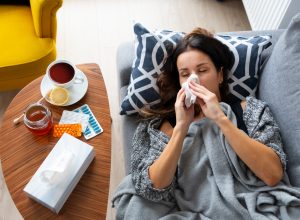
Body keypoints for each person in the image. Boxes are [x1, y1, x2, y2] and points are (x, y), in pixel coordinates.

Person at [113, 28, 300, 219]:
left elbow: (273, 174)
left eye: (202, 70)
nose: (194, 80)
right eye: (185, 74)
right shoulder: (160, 127)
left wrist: (221, 119)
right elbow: (152, 189)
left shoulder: (250, 109)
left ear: (219, 75)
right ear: (179, 82)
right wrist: (181, 128)